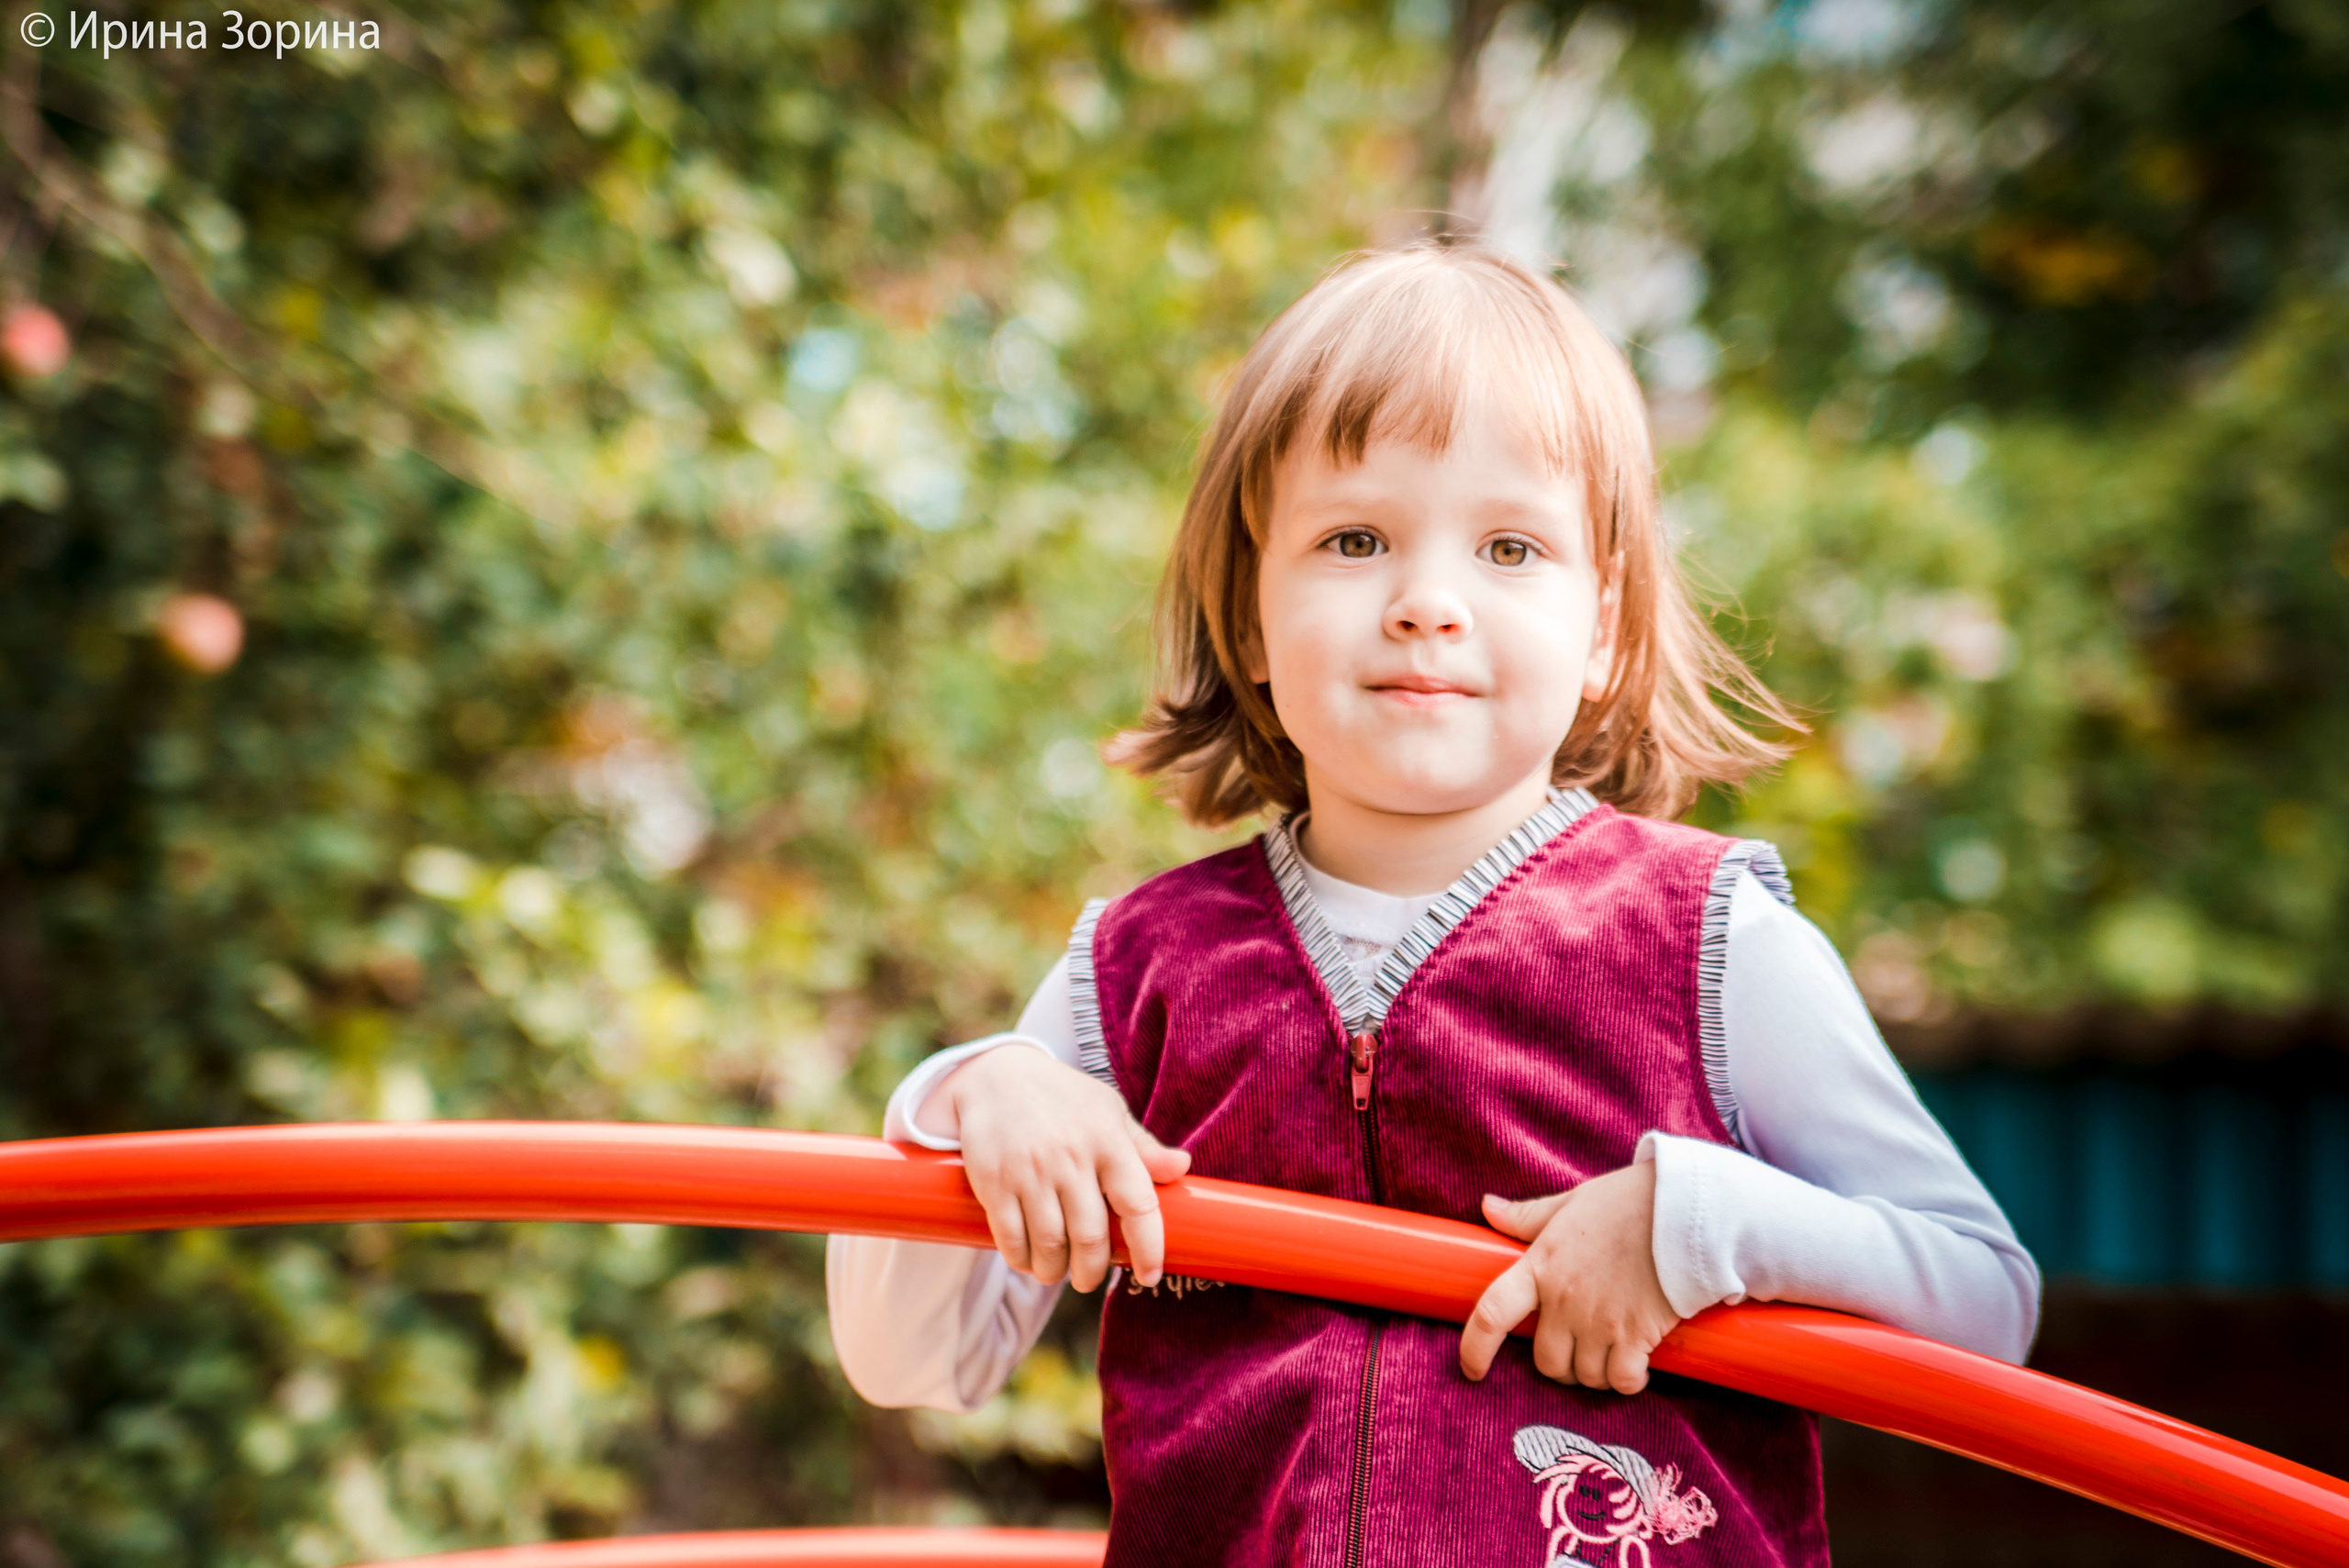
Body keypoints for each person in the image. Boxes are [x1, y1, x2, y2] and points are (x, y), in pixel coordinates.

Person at [826, 241, 2038, 1566]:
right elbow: (906, 1356)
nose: (1428, 605)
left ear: (1604, 630)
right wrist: (980, 1096)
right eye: (1356, 539)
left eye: (1510, 546)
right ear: (1248, 614)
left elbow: (1984, 1302)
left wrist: (1699, 1226)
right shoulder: (1134, 977)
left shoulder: (1711, 945)